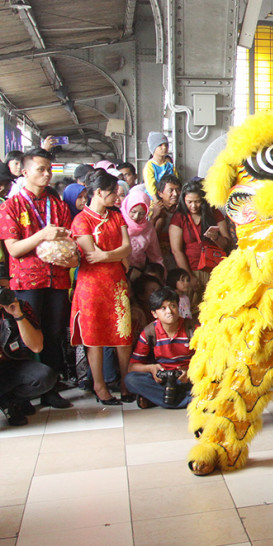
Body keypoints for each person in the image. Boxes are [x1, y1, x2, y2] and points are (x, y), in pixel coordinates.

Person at [0, 147, 74, 409]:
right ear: (24, 171)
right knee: (29, 335)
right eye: (40, 169)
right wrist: (42, 234)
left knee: (55, 334)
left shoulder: (58, 205)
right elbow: (14, 249)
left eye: (49, 169)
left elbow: (68, 241)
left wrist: (68, 256)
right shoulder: (12, 205)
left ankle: (51, 389)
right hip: (27, 281)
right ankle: (26, 391)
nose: (46, 174)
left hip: (57, 278)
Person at [71, 169, 134, 405]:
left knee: (123, 335)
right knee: (94, 338)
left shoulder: (116, 216)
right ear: (98, 192)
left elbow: (127, 248)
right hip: (91, 287)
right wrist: (115, 256)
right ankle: (99, 385)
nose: (117, 199)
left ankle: (127, 382)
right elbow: (90, 255)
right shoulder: (81, 220)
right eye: (113, 194)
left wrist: (109, 254)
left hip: (117, 284)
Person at [125, 287, 195, 409]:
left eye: (173, 306)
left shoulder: (192, 328)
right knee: (131, 380)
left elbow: (210, 360)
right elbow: (132, 367)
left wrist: (191, 372)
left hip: (189, 378)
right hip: (163, 381)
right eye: (163, 308)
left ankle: (162, 400)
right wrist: (151, 368)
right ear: (154, 314)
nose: (169, 311)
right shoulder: (149, 333)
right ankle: (188, 400)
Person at [0, 290, 58, 426]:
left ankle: (11, 401)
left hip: (13, 365)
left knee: (44, 377)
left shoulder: (21, 306)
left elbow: (37, 347)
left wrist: (18, 316)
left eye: (3, 286)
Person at [169, 181, 229, 303]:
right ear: (183, 200)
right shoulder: (179, 217)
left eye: (197, 202)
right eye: (189, 202)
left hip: (214, 270)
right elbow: (176, 250)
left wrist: (216, 238)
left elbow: (227, 244)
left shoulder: (214, 213)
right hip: (190, 269)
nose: (193, 206)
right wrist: (189, 277)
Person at [121, 188, 162, 275]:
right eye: (133, 212)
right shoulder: (118, 223)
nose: (136, 217)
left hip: (139, 273)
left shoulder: (148, 228)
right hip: (119, 271)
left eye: (142, 213)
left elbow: (155, 255)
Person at [142, 132, 178, 199]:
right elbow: (150, 185)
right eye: (160, 145)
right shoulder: (150, 166)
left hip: (168, 199)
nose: (164, 147)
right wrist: (155, 200)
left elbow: (176, 182)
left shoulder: (170, 166)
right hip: (152, 200)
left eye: (166, 145)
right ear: (153, 147)